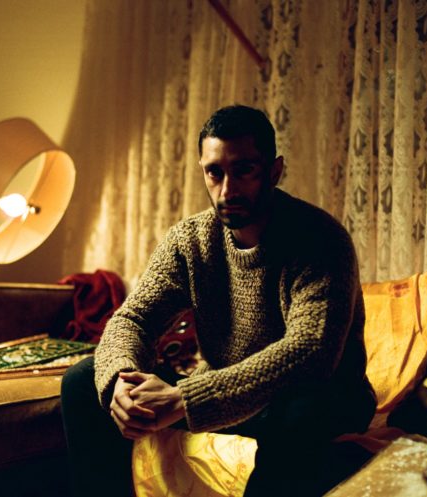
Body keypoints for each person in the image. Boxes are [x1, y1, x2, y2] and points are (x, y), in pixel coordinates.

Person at [61, 105, 376, 497]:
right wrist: (120, 383)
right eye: (215, 173)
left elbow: (310, 352)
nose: (227, 190)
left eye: (244, 170)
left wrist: (186, 399)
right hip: (225, 391)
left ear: (274, 171)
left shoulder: (319, 239)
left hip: (319, 396)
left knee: (303, 409)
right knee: (81, 381)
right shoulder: (190, 241)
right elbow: (133, 320)